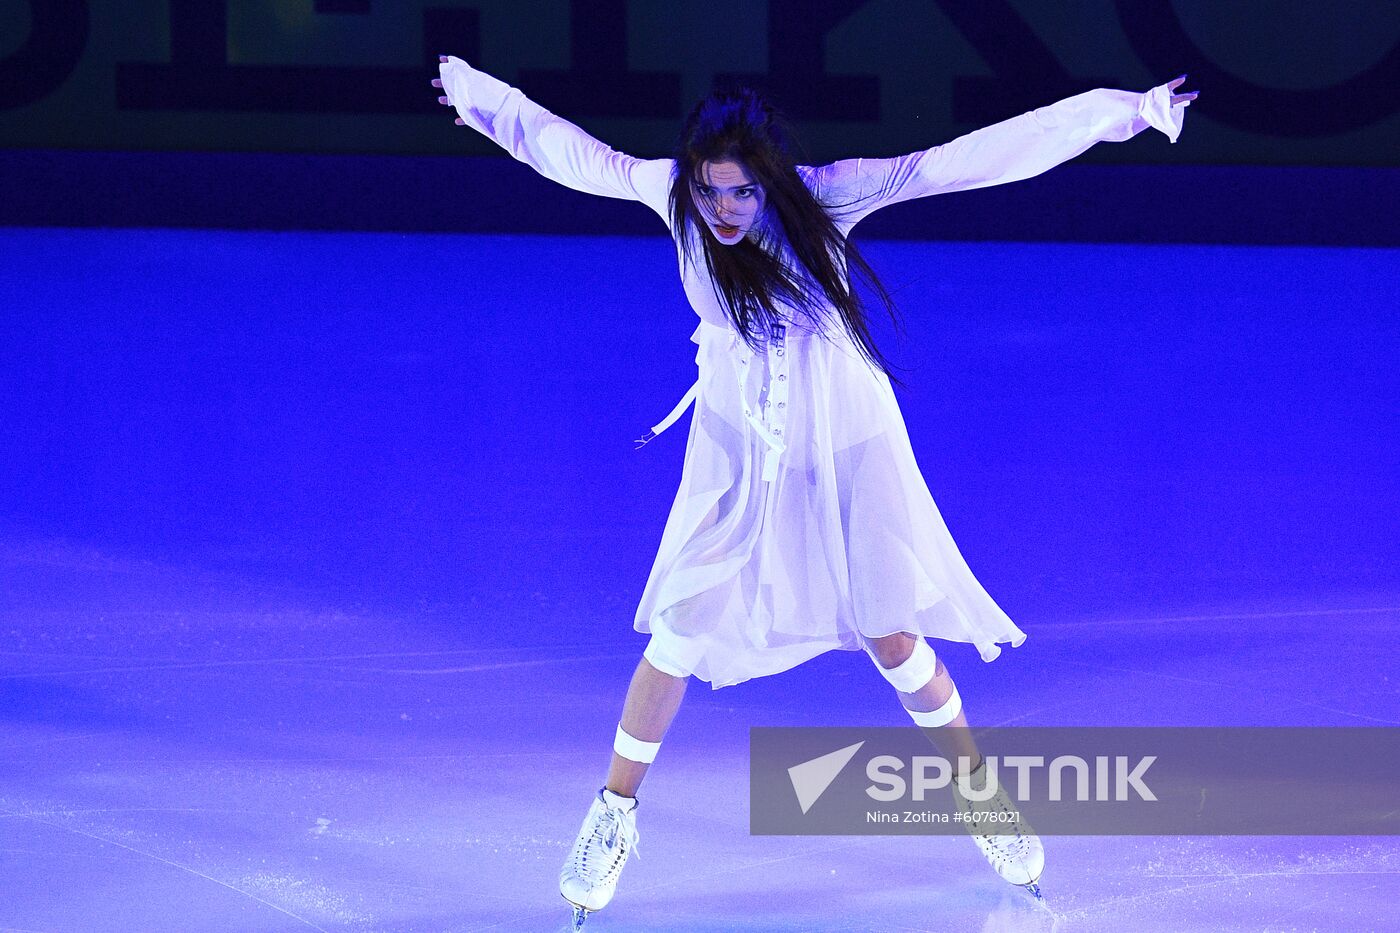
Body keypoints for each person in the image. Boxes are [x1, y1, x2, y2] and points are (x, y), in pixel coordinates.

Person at [432, 55, 1195, 927]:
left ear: (772, 183)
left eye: (743, 194)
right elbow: (568, 151)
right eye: (712, 191)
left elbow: (969, 158)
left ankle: (982, 796)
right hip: (734, 443)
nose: (724, 210)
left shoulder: (829, 196)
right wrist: (482, 101)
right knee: (679, 627)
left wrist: (1122, 112)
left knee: (893, 635)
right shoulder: (670, 195)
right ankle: (613, 811)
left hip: (846, 436)